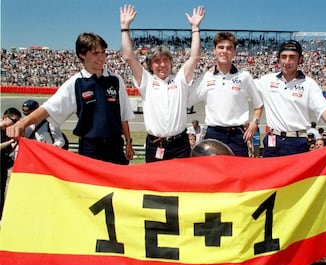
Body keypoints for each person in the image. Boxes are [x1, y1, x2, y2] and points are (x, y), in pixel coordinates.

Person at [6, 33, 135, 165]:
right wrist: (22, 123)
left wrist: (129, 141)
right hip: (90, 148)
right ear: (82, 54)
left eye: (103, 52)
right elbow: (48, 108)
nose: (101, 58)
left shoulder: (115, 80)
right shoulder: (75, 83)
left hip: (115, 146)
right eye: (96, 53)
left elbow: (123, 115)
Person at [120, 4, 205, 163]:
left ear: (171, 63)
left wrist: (195, 28)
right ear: (150, 65)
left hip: (180, 145)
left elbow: (194, 58)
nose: (162, 64)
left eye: (165, 60)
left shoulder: (179, 80)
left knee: (181, 186)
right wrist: (125, 27)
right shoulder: (146, 81)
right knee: (155, 187)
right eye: (157, 61)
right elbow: (129, 57)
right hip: (155, 144)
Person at [255, 40, 326, 157]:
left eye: (292, 57)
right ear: (278, 59)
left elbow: (323, 108)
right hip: (273, 140)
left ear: (300, 59)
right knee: (270, 175)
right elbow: (243, 87)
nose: (287, 61)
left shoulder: (309, 84)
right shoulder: (267, 80)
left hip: (297, 142)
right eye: (283, 57)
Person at [189, 32, 263, 157]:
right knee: (213, 175)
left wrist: (254, 123)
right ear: (214, 50)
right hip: (214, 134)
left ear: (234, 52)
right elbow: (187, 101)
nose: (224, 51)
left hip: (238, 136)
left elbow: (259, 104)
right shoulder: (206, 77)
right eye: (221, 47)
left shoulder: (244, 77)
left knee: (238, 174)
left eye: (229, 48)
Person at [1, 107, 21, 220]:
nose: (14, 124)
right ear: (5, 117)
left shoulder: (5, 133)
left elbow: (6, 151)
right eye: (13, 121)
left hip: (3, 168)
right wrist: (10, 141)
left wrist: (15, 144)